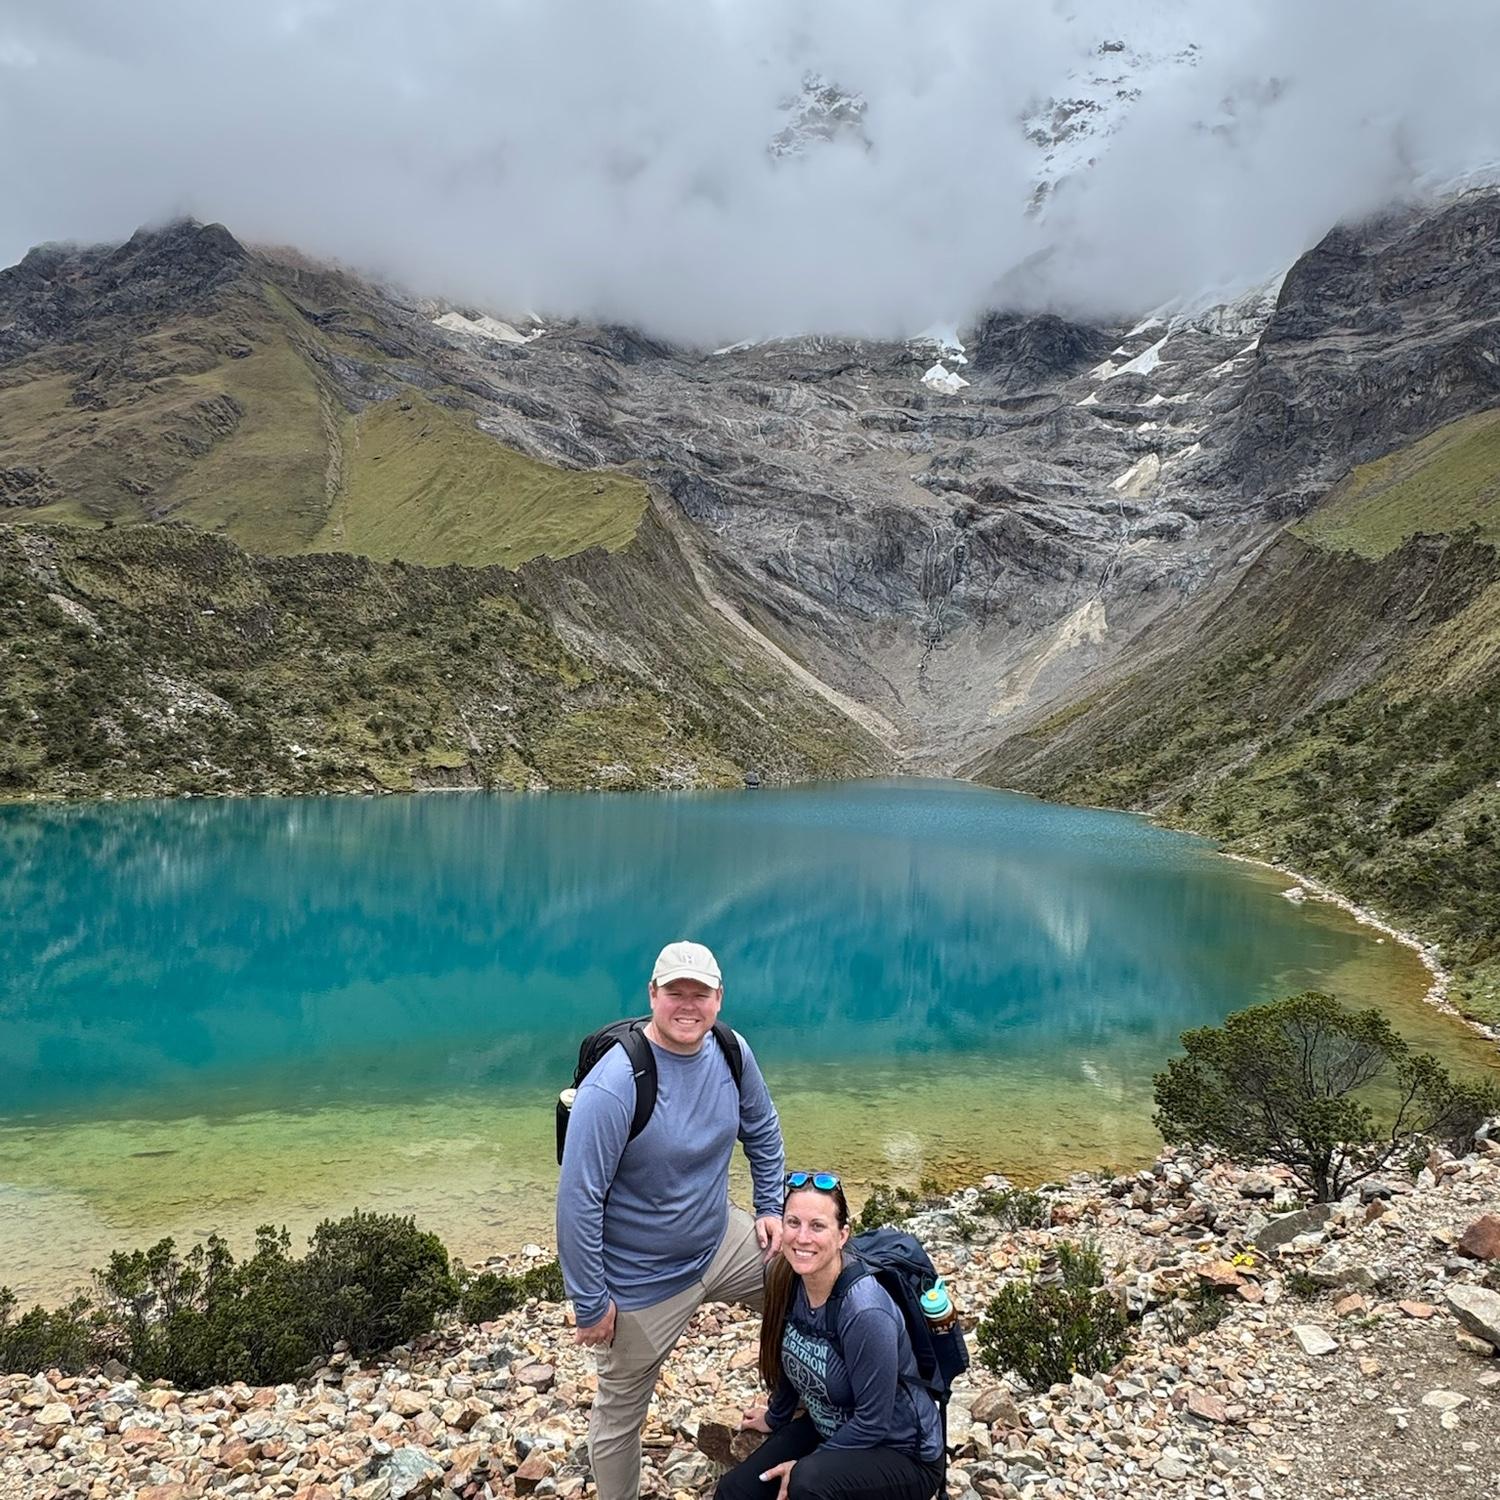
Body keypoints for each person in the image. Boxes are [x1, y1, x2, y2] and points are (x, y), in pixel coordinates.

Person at [557, 940, 786, 1500]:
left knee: (805, 1284)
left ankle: (794, 1410)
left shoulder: (732, 1052)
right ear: (652, 995)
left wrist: (771, 1207)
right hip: (642, 1280)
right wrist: (591, 1301)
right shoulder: (616, 1084)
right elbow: (578, 1200)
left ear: (719, 998)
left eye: (700, 993)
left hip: (719, 1242)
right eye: (675, 992)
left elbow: (763, 1130)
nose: (689, 1005)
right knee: (618, 1421)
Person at [717, 1172, 946, 1500]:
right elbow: (786, 1360)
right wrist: (775, 1416)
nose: (802, 1238)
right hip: (830, 1426)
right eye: (793, 1223)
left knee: (806, 1483)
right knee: (735, 1491)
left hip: (901, 1452)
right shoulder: (786, 1277)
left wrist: (805, 1463)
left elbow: (873, 1421)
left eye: (817, 1226)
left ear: (842, 1235)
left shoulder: (865, 1311)